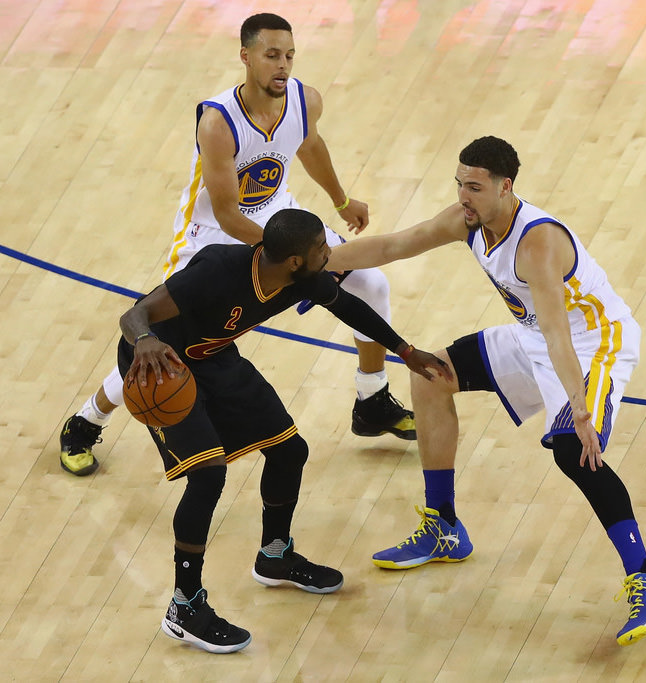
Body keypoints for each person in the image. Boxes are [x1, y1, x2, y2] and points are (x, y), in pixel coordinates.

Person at [325, 136, 646, 646]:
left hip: (592, 344)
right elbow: (393, 245)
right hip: (533, 336)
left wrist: (580, 408)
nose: (463, 196)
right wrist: (320, 260)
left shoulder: (537, 243)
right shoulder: (468, 221)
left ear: (505, 187)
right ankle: (444, 526)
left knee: (571, 450)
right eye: (459, 184)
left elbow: (560, 333)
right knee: (429, 376)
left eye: (474, 187)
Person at [60, 12, 415, 477]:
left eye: (289, 55)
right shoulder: (218, 122)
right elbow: (228, 213)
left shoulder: (305, 100)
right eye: (271, 56)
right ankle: (86, 420)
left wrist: (341, 199)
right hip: (211, 236)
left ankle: (372, 398)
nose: (282, 65)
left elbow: (308, 143)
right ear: (246, 57)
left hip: (280, 219)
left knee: (371, 284)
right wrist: (294, 260)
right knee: (178, 345)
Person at [119, 208, 451, 653]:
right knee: (208, 474)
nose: (329, 252)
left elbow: (350, 306)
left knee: (290, 450)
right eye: (321, 248)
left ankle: (274, 555)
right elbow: (136, 314)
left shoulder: (303, 278)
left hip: (215, 357)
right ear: (295, 259)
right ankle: (184, 605)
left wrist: (404, 351)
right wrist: (145, 340)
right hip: (160, 366)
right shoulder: (218, 268)